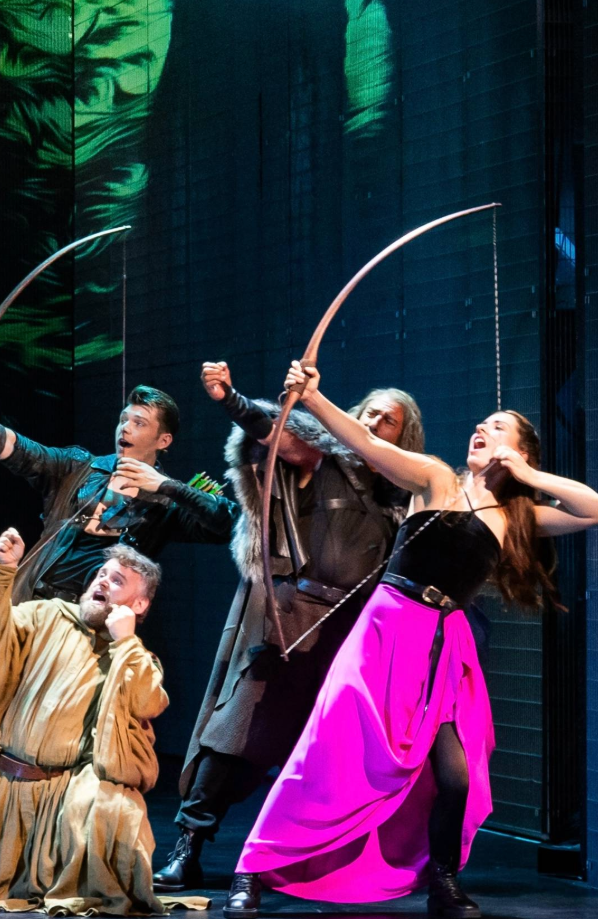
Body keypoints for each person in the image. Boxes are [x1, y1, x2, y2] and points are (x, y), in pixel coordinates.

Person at [231, 362, 598, 919]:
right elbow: (366, 444)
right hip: (388, 627)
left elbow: (592, 509)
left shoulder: (515, 517)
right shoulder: (436, 479)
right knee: (326, 751)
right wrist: (314, 398)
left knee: (456, 775)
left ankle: (443, 882)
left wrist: (528, 474)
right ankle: (254, 868)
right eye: (482, 423)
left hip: (445, 647)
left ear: (521, 450)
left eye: (499, 426)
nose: (482, 427)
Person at [156, 363, 419, 890]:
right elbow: (275, 434)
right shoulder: (328, 456)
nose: (373, 422)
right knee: (235, 734)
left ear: (403, 436)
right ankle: (189, 846)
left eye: (387, 420)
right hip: (290, 619)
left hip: (347, 637)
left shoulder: (405, 494)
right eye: (368, 412)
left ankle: (302, 860)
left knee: (324, 751)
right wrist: (231, 399)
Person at [0, 535, 179, 916]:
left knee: (118, 810)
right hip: (6, 782)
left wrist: (125, 642)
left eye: (117, 581)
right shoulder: (48, 615)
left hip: (64, 793)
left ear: (139, 604)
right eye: (101, 574)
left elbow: (148, 700)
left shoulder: (136, 657)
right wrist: (4, 570)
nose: (102, 582)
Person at [0, 380, 236, 602]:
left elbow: (229, 524)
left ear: (163, 440)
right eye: (123, 420)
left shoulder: (166, 504)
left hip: (89, 626)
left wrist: (167, 486)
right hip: (29, 603)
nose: (125, 428)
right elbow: (17, 448)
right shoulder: (77, 466)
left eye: (139, 423)